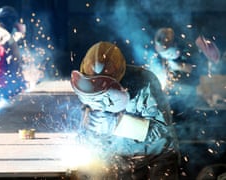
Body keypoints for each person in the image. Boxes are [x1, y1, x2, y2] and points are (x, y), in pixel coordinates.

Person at [70, 41, 180, 179]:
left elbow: (163, 133)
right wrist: (89, 136)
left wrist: (118, 125)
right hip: (121, 162)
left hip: (154, 163)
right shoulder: (88, 87)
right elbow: (89, 135)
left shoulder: (145, 83)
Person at [0, 6, 26, 110]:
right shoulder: (6, 36)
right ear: (10, 22)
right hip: (1, 86)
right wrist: (19, 83)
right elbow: (15, 61)